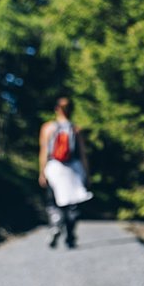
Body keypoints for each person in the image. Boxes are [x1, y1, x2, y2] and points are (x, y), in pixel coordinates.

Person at [38, 97, 91, 248]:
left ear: (56, 109)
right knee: (72, 204)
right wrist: (87, 174)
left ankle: (55, 225)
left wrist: (42, 172)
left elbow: (43, 151)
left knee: (53, 202)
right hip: (73, 168)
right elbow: (82, 155)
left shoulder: (48, 128)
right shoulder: (76, 129)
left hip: (54, 168)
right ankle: (70, 237)